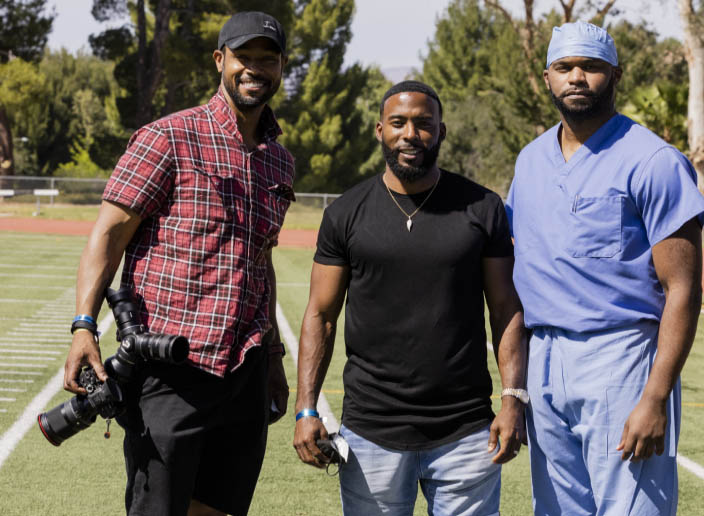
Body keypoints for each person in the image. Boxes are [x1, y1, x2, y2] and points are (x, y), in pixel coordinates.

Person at [61, 11, 294, 516]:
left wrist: (273, 357)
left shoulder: (280, 160)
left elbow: (262, 263)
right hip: (170, 369)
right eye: (243, 57)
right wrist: (84, 327)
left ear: (281, 68)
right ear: (220, 61)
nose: (254, 68)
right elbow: (107, 236)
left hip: (245, 369)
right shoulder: (167, 137)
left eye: (267, 59)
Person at [292, 80, 528, 516]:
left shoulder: (483, 207)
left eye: (423, 123)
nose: (410, 134)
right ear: (380, 129)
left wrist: (513, 398)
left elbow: (505, 309)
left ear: (442, 132)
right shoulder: (344, 212)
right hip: (370, 432)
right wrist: (306, 407)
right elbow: (321, 315)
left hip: (466, 431)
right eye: (398, 123)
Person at [505, 22, 704, 515]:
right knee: (556, 509)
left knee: (630, 507)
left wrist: (654, 396)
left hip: (620, 356)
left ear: (615, 75)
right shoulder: (531, 161)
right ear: (547, 77)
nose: (577, 77)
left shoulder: (653, 161)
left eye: (591, 67)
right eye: (565, 67)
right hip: (544, 358)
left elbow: (683, 287)